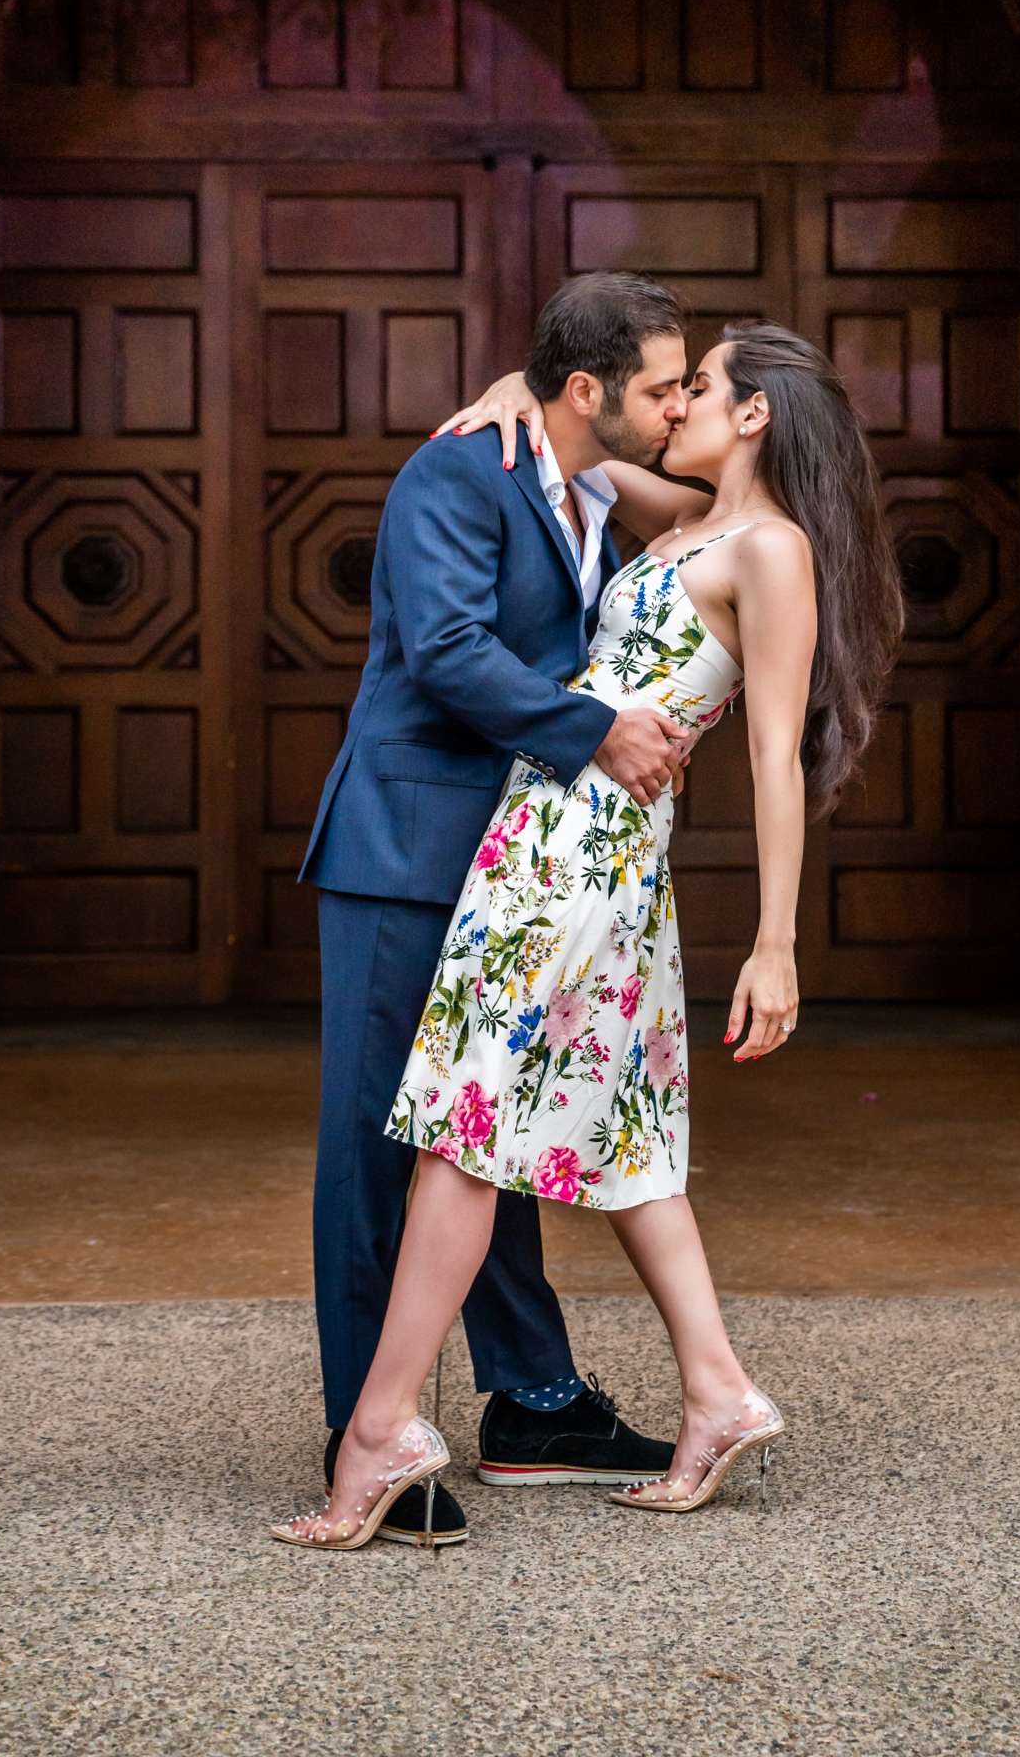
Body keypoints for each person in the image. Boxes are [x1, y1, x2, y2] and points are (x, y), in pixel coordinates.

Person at [275, 316, 904, 1550]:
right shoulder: (674, 514)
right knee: (625, 1143)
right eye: (668, 389)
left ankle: (380, 1429)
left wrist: (777, 942)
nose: (677, 407)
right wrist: (519, 378)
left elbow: (776, 760)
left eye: (699, 389)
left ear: (757, 412)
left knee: (463, 1132)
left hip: (580, 859)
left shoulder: (770, 550)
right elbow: (579, 427)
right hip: (548, 841)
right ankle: (718, 1393)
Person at [295, 272, 698, 1546]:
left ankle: (531, 1404)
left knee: (489, 1129)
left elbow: (729, 503)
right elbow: (449, 650)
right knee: (375, 1147)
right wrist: (602, 733)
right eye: (661, 388)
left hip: (507, 866)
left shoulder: (585, 480)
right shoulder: (458, 474)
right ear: (589, 391)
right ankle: (369, 1436)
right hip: (403, 848)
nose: (681, 405)